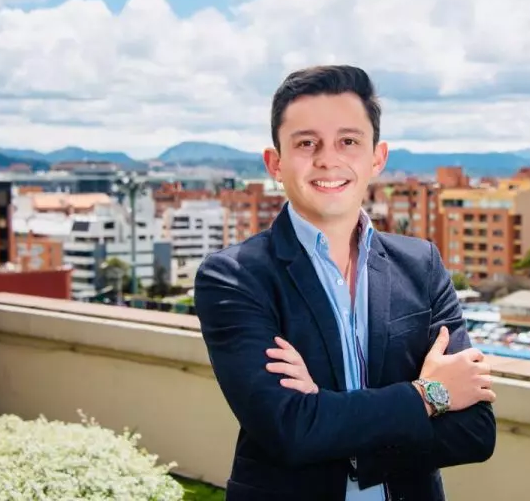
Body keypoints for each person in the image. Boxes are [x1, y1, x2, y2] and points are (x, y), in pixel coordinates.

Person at [194, 65, 497, 501]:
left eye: (348, 141)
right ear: (275, 163)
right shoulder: (235, 276)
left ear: (377, 157)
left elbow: (474, 432)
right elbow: (289, 430)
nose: (328, 159)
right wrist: (429, 395)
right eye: (306, 143)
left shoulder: (421, 264)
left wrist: (328, 421)